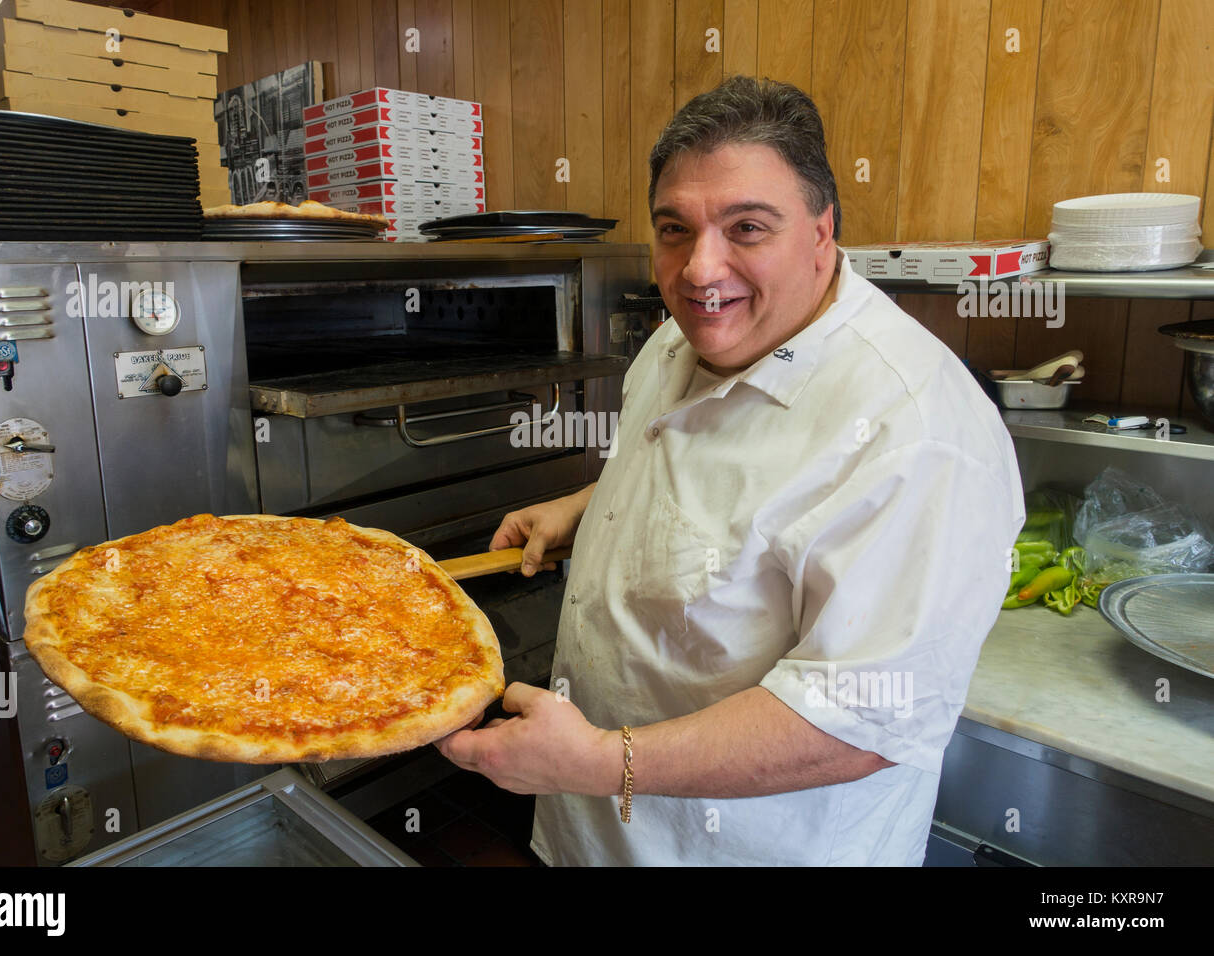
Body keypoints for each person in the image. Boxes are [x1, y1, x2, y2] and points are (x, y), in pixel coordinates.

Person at [437, 75, 1024, 865]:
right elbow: (706, 474)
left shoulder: (917, 432)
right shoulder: (687, 336)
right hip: (589, 833)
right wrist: (590, 503)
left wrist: (601, 763)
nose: (699, 270)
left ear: (823, 234)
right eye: (674, 229)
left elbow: (859, 722)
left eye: (747, 227)